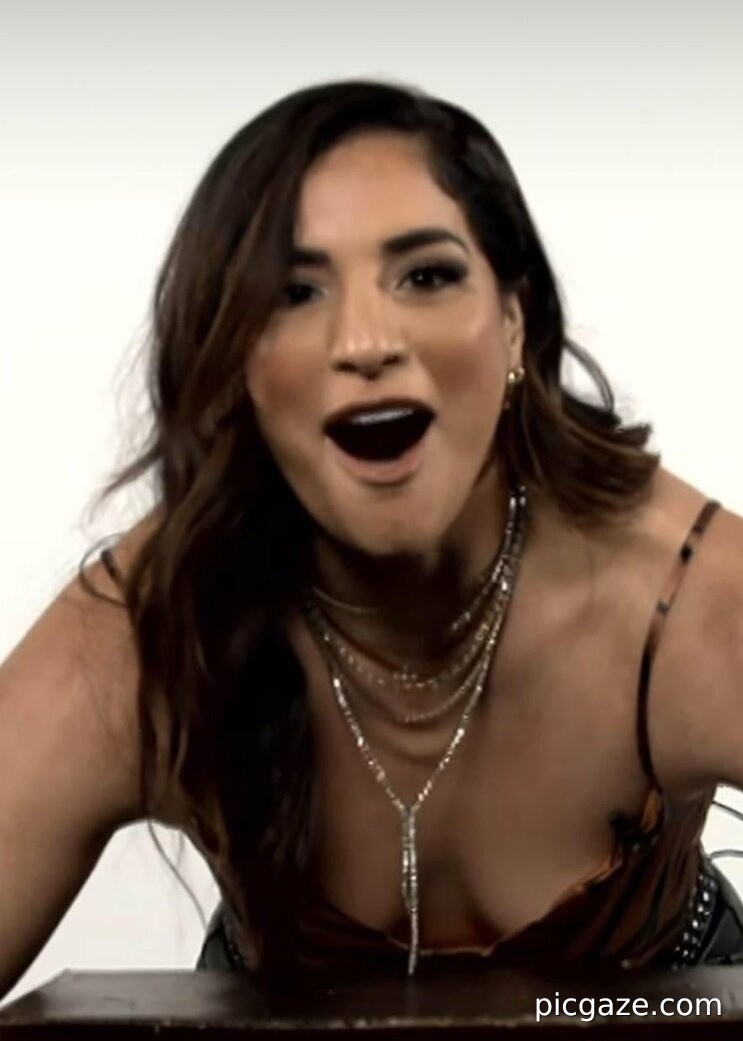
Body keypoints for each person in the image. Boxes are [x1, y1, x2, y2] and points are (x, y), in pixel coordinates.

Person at [3, 79, 743, 996]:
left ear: (514, 320)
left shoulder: (682, 598)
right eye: (295, 291)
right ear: (233, 365)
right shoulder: (154, 628)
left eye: (425, 275)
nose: (364, 340)